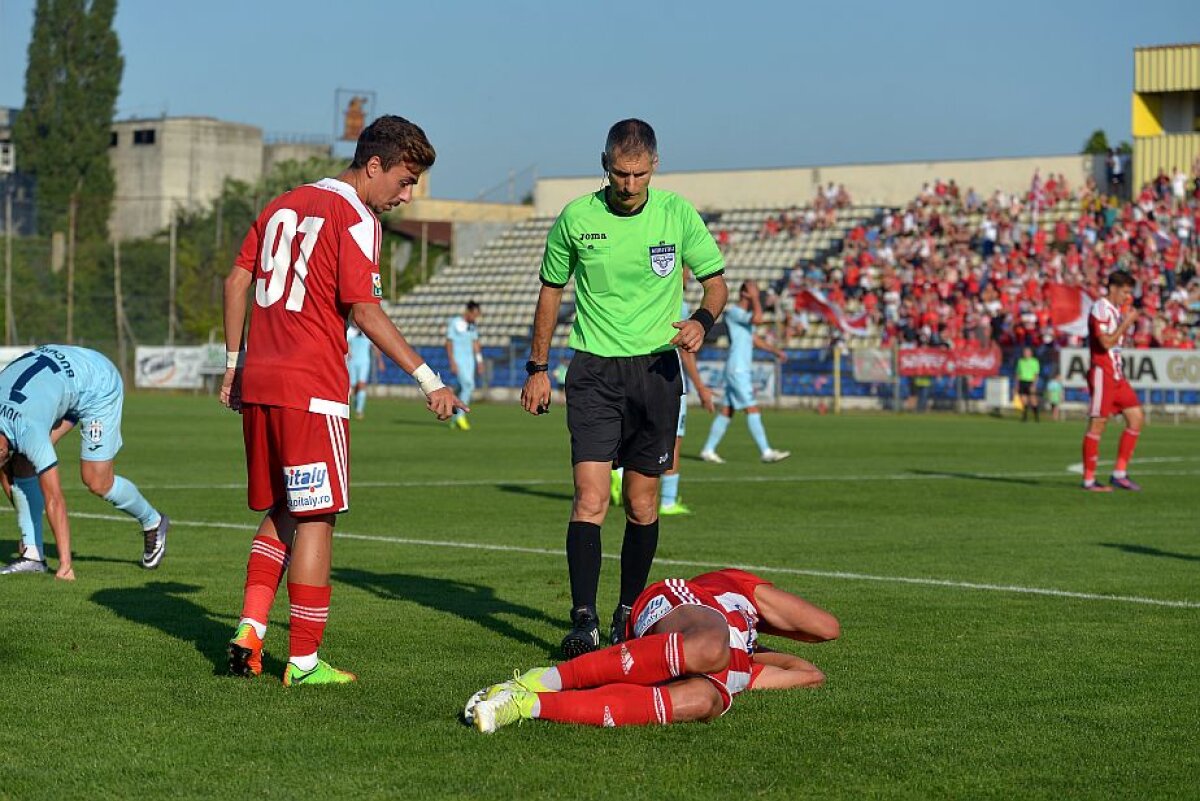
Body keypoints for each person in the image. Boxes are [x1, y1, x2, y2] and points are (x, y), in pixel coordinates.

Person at [220, 115, 465, 686]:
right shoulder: (356, 217)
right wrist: (429, 379)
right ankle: (304, 662)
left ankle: (250, 630)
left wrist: (234, 365)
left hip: (262, 381)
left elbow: (236, 282)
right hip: (312, 389)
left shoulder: (283, 203)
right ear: (373, 166)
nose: (407, 196)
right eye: (404, 181)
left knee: (283, 508)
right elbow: (365, 311)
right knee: (318, 517)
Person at [520, 119, 729, 658]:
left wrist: (702, 321)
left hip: (656, 373)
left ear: (654, 165)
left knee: (641, 503)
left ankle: (628, 612)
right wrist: (537, 367)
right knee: (590, 498)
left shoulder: (677, 214)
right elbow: (550, 291)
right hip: (594, 371)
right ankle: (583, 620)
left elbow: (716, 284)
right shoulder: (577, 217)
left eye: (639, 174)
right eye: (619, 173)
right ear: (604, 165)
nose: (629, 184)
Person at [465, 568, 839, 732]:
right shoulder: (735, 588)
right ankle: (538, 680)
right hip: (682, 606)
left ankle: (524, 705)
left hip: (719, 659)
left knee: (703, 701)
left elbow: (810, 674)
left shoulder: (745, 659)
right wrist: (754, 618)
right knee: (710, 648)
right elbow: (826, 628)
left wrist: (753, 646)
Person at [0, 345, 169, 578]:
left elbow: (54, 498)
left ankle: (153, 521)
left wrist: (65, 564)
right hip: (62, 376)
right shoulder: (15, 435)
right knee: (19, 465)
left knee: (96, 480)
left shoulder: (30, 432)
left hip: (98, 384)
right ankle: (33, 555)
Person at [699, 280, 790, 464]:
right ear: (744, 293)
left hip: (738, 368)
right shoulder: (734, 312)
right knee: (752, 407)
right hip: (738, 369)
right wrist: (755, 299)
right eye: (753, 291)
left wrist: (775, 351)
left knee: (727, 410)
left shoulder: (745, 315)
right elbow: (758, 319)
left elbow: (754, 338)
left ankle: (708, 450)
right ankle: (766, 451)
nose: (758, 294)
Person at [1081, 271, 1143, 492]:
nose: (1127, 296)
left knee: (1136, 418)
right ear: (1113, 288)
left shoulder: (1116, 310)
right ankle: (1089, 480)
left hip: (1117, 375)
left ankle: (1119, 474)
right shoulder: (1100, 308)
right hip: (1103, 373)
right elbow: (1105, 343)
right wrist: (1125, 324)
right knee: (1098, 424)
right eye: (1125, 292)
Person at [445, 301, 482, 431]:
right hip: (458, 359)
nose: (475, 317)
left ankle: (454, 418)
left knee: (462, 388)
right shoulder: (455, 323)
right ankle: (460, 417)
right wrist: (452, 361)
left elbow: (475, 342)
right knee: (468, 385)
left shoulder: (472, 326)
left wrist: (479, 361)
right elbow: (449, 342)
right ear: (468, 311)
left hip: (469, 361)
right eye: (474, 314)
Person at [346, 323, 382, 420]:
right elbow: (346, 344)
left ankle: (359, 411)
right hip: (352, 362)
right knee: (353, 386)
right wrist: (348, 352)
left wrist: (380, 361)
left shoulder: (367, 332)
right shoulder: (349, 332)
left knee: (362, 384)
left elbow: (374, 346)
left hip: (364, 362)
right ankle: (355, 403)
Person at [1015, 346, 1040, 422]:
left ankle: (1036, 417)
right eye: (1025, 352)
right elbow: (1018, 373)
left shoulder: (1034, 361)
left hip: (1030, 382)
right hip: (1022, 381)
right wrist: (1017, 384)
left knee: (1033, 400)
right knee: (1023, 400)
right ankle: (1024, 417)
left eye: (1027, 352)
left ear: (1031, 353)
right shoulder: (1020, 361)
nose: (1026, 353)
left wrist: (1034, 384)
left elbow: (1036, 374)